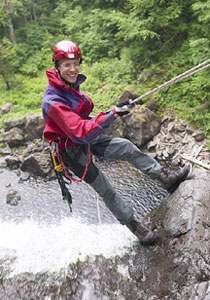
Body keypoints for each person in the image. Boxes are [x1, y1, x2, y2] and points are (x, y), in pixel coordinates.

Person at [42, 40, 190, 246]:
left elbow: (82, 122)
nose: (73, 69)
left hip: (85, 134)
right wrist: (111, 115)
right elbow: (79, 132)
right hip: (71, 149)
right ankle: (134, 226)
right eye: (67, 65)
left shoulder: (69, 88)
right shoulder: (53, 101)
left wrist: (111, 113)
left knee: (126, 147)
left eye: (76, 63)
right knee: (105, 188)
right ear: (57, 67)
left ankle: (165, 178)